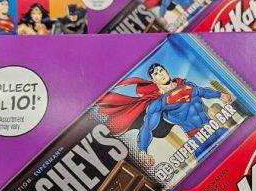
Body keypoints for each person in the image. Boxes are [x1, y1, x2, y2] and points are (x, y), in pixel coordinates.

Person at [96, 63, 233, 167]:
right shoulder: (159, 103)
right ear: (153, 80)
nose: (160, 74)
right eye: (156, 73)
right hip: (198, 141)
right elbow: (147, 127)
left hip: (216, 129)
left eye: (161, 70)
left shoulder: (188, 85)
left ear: (166, 71)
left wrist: (221, 95)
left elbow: (203, 92)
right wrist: (142, 150)